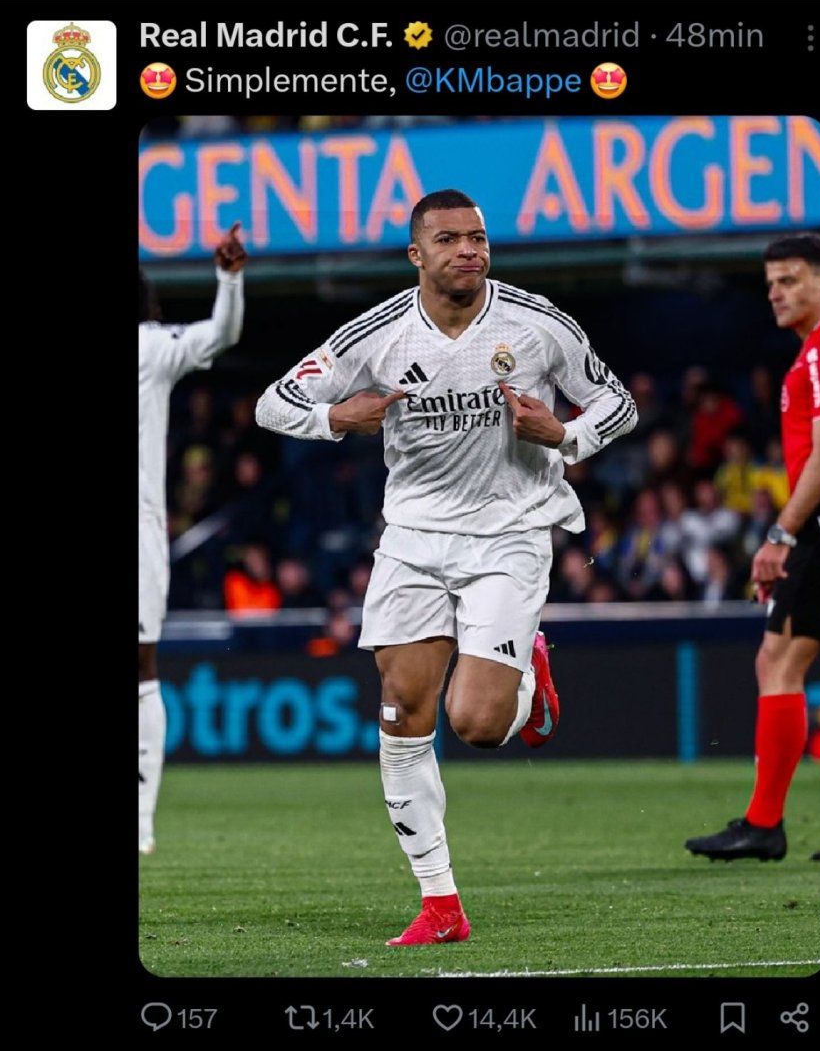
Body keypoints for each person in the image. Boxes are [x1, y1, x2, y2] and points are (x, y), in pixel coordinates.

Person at [256, 189, 637, 944]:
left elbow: (617, 403)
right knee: (401, 713)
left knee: (478, 725)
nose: (468, 250)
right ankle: (440, 904)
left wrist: (563, 434)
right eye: (450, 240)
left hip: (509, 533)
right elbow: (275, 402)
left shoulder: (536, 324)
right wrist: (335, 417)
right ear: (417, 255)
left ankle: (525, 674)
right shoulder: (379, 334)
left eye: (478, 238)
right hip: (412, 540)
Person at [686, 234, 820, 861]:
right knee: (776, 661)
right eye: (771, 282)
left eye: (791, 279)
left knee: (778, 662)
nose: (776, 292)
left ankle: (765, 823)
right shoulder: (810, 355)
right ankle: (764, 821)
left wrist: (781, 534)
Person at [138, 221, 248, 855]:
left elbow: (223, 334)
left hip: (141, 531)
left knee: (142, 667)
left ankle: (142, 822)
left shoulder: (151, 347)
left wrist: (228, 281)